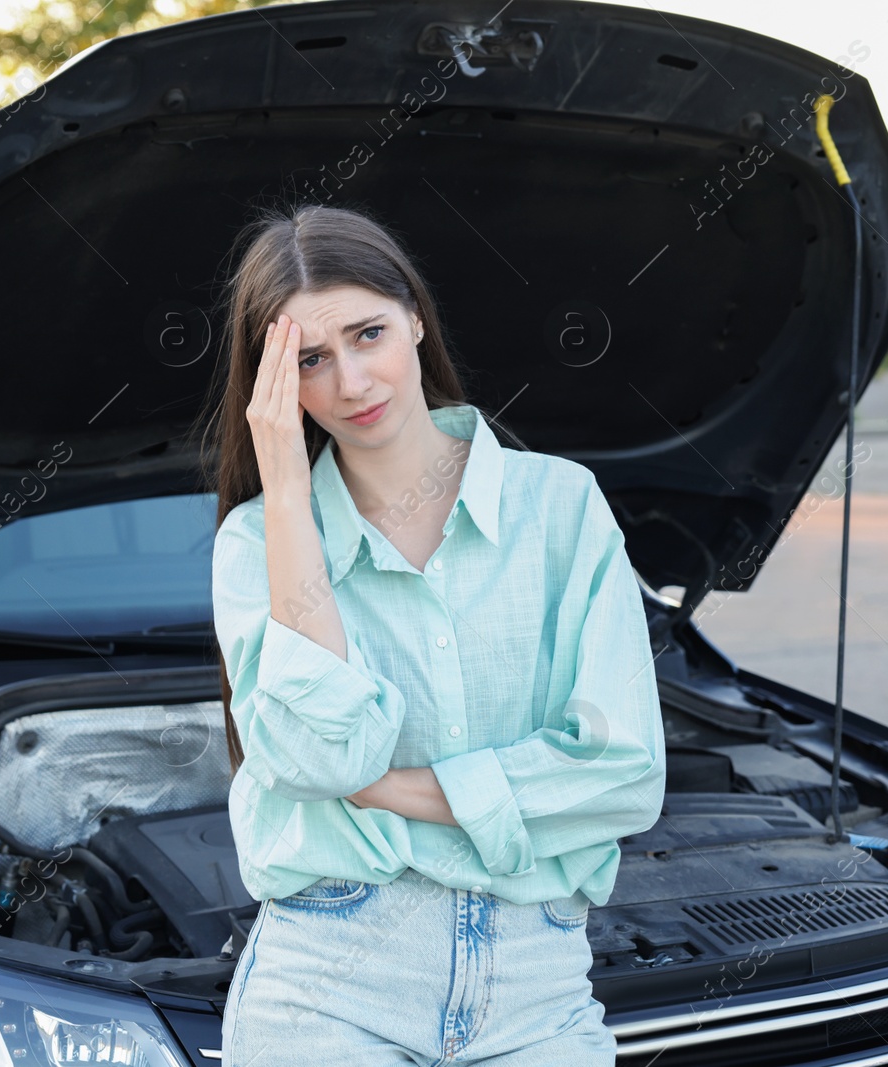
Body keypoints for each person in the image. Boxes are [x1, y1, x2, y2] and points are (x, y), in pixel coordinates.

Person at [200, 203, 666, 1065]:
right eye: (310, 360)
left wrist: (382, 786)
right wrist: (288, 493)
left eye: (368, 333)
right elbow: (318, 759)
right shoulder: (255, 542)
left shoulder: (561, 506)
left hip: (538, 986)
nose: (349, 383)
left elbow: (623, 774)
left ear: (415, 316)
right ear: (278, 386)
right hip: (327, 985)